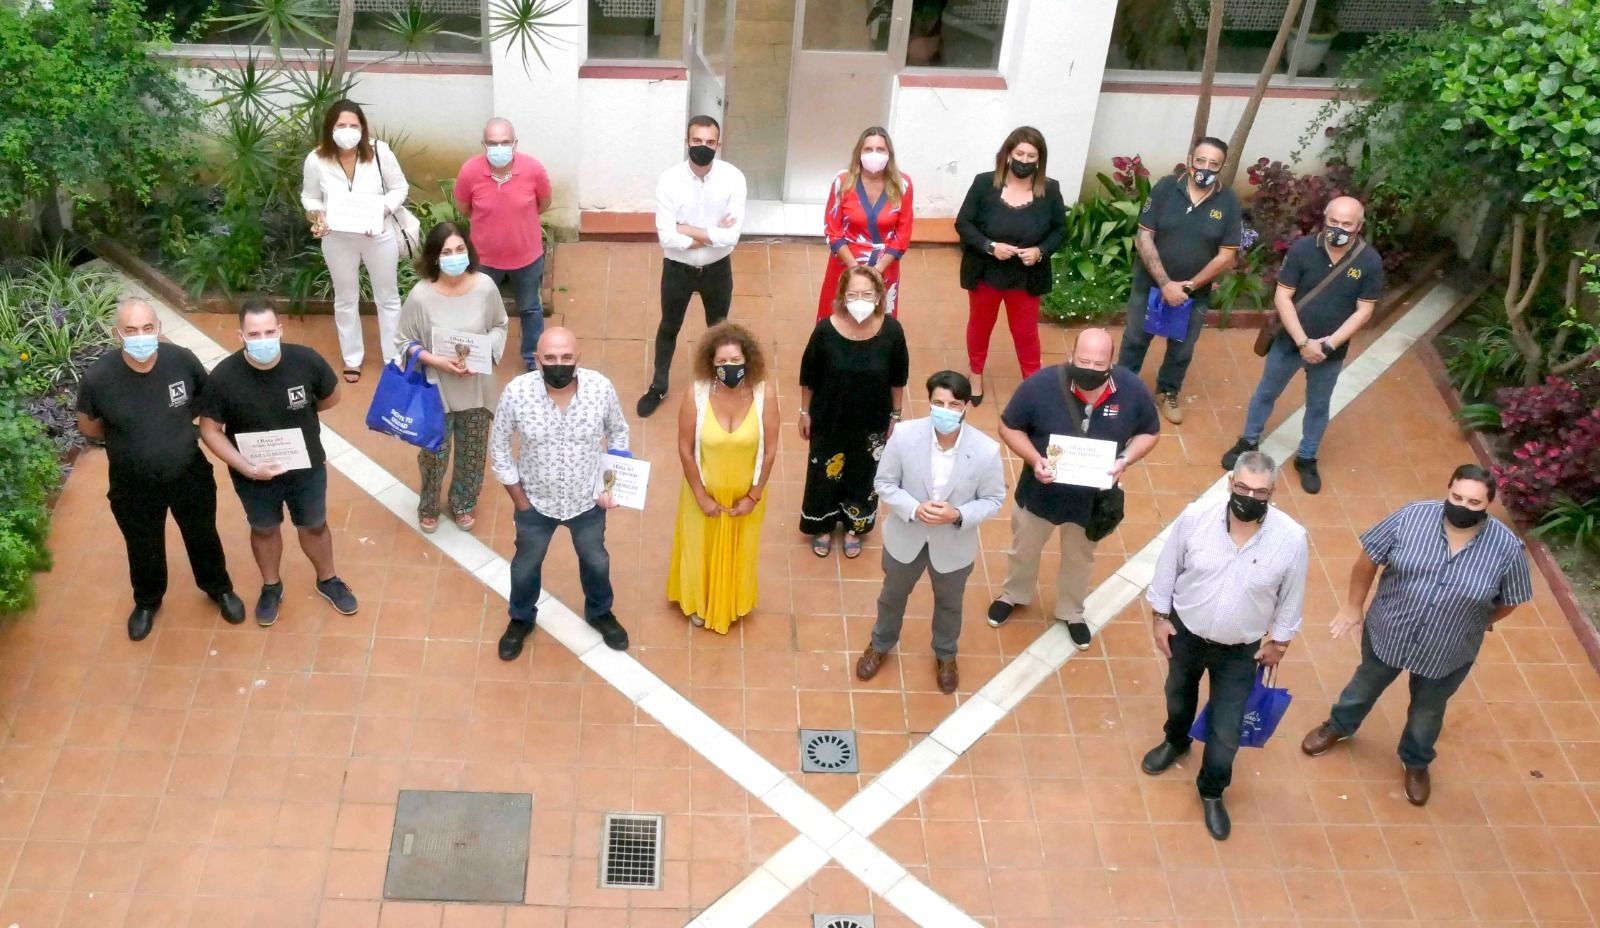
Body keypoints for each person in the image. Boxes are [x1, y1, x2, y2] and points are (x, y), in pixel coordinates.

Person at [1301, 465, 1532, 806]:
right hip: (1390, 630)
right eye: (1456, 497)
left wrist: (1479, 621)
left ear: (1488, 504)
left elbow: (1512, 599)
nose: (1462, 506)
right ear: (1448, 489)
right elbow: (1368, 558)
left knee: (1428, 711)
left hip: (1448, 649)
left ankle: (1416, 761)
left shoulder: (1507, 549)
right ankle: (1338, 726)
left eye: (1473, 502)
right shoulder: (1411, 517)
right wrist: (1353, 606)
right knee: (1364, 685)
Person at [1141, 451, 1308, 840]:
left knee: (1227, 729)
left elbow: (1292, 595)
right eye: (1243, 487)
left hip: (1240, 650)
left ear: (1273, 493)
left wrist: (1279, 644)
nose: (1250, 496)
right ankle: (1176, 741)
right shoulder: (1196, 517)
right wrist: (1159, 618)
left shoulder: (1291, 538)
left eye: (1260, 491)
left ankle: (1212, 790)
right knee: (1178, 696)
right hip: (1185, 633)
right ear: (1231, 483)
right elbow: (1168, 567)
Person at [75, 298, 244, 641]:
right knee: (142, 544)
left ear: (158, 328)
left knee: (202, 534)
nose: (141, 336)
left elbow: (203, 401)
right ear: (117, 333)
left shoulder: (181, 360)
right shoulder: (98, 378)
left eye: (148, 328)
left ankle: (218, 588)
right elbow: (90, 427)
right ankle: (147, 601)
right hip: (132, 484)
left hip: (188, 473)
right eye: (131, 330)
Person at [988, 328, 1161, 649]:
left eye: (1099, 365)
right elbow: (1008, 426)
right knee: (1023, 548)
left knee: (1080, 558)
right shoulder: (1040, 386)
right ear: (1071, 355)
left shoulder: (1132, 391)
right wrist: (1034, 458)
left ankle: (1072, 611)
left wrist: (1125, 459)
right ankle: (1014, 594)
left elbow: (1150, 432)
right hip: (1039, 493)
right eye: (1083, 361)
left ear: (1112, 362)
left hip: (1091, 502)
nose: (1090, 370)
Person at [198, 299, 358, 625]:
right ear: (240, 336)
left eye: (270, 332)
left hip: (306, 468)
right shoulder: (224, 377)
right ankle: (271, 586)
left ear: (280, 330)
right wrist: (247, 467)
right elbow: (210, 430)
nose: (263, 340)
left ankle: (328, 579)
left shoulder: (306, 361)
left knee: (314, 525)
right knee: (264, 529)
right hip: (253, 473)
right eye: (254, 334)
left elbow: (331, 397)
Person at [854, 371, 1006, 694]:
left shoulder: (986, 451)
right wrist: (913, 508)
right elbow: (884, 483)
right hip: (905, 537)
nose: (945, 410)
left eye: (953, 404)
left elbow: (994, 500)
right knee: (892, 597)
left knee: (950, 604)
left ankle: (946, 654)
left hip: (953, 545)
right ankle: (880, 644)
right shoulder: (905, 436)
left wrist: (958, 514)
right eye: (938, 403)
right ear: (929, 402)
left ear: (965, 406)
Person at [1220, 196, 1384, 494]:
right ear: (1325, 219)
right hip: (1289, 342)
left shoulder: (1369, 261)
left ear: (1359, 226)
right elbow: (1283, 296)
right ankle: (1248, 440)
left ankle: (1307, 457)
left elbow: (1364, 311)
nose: (1339, 229)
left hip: (1329, 353)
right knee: (1267, 392)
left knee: (1318, 405)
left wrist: (1328, 346)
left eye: (1347, 224)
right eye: (1333, 222)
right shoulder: (1304, 249)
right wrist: (1303, 341)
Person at [490, 327, 631, 660]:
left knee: (596, 561)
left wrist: (610, 487)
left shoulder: (601, 389)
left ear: (578, 358)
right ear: (537, 360)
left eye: (566, 358)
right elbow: (498, 448)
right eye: (550, 358)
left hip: (587, 502)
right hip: (534, 504)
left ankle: (600, 612)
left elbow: (619, 435)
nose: (559, 364)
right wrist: (520, 500)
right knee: (525, 567)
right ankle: (521, 618)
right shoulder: (517, 393)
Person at [1120, 137, 1243, 425]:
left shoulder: (1229, 202)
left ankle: (1168, 391)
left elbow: (1226, 257)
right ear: (1190, 160)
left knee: (1182, 347)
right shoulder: (1166, 188)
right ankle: (1123, 389)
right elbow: (1144, 236)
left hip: (1193, 294)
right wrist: (1165, 284)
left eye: (1214, 164)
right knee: (1135, 339)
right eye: (1201, 161)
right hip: (1150, 284)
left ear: (1222, 168)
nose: (1205, 168)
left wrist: (1186, 287)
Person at [395, 222, 508, 534]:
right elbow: (404, 341)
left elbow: (500, 324)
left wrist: (487, 354)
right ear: (434, 257)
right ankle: (429, 504)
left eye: (460, 250)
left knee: (473, 452)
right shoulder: (420, 296)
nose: (455, 256)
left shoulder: (485, 287)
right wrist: (435, 360)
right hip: (436, 389)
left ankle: (463, 503)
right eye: (447, 252)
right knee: (434, 454)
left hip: (476, 386)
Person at [667, 322, 779, 633]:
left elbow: (770, 450)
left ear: (748, 360)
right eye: (721, 362)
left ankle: (731, 601)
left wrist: (753, 496)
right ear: (710, 363)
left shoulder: (764, 395)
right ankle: (698, 601)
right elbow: (685, 449)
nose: (729, 367)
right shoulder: (697, 395)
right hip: (701, 494)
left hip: (745, 498)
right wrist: (701, 496)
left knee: (740, 549)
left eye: (735, 361)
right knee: (698, 548)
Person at [636, 115, 748, 418]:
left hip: (717, 269)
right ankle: (658, 386)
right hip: (678, 269)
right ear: (687, 142)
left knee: (719, 329)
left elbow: (731, 237)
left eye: (710, 142)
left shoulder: (734, 178)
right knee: (669, 327)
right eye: (697, 141)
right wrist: (711, 233)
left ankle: (722, 383)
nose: (703, 147)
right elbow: (666, 237)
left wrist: (688, 229)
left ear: (719, 144)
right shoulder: (669, 180)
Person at [799, 265, 910, 559]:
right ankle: (821, 524)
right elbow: (809, 376)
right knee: (824, 471)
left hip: (872, 419)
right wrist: (804, 412)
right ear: (842, 297)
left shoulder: (892, 331)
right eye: (853, 294)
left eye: (866, 294)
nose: (859, 299)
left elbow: (898, 378)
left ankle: (853, 526)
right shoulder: (825, 331)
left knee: (864, 473)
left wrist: (895, 416)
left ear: (878, 297)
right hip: (829, 417)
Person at [955, 126, 1067, 406]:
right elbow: (963, 223)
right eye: (1019, 153)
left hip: (1026, 277)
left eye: (1031, 155)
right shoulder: (984, 184)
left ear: (1039, 160)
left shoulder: (1050, 190)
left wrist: (1040, 252)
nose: (1024, 160)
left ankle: (1033, 383)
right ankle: (976, 373)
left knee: (1026, 332)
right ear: (1007, 154)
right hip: (986, 272)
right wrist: (990, 246)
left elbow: (1060, 230)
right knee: (980, 325)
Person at [300, 99, 410, 383]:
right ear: (330, 128)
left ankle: (393, 357)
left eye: (354, 125)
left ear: (362, 128)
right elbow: (310, 195)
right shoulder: (316, 159)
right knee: (345, 297)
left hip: (378, 234)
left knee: (387, 297)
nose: (348, 130)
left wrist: (381, 210)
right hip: (337, 239)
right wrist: (318, 216)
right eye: (341, 125)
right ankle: (352, 359)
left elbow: (400, 187)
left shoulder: (379, 152)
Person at [453, 116, 552, 370]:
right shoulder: (469, 172)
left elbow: (544, 203)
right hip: (484, 260)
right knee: (480, 310)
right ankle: (480, 356)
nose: (499, 148)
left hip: (527, 257)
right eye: (493, 143)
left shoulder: (534, 169)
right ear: (484, 144)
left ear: (515, 143)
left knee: (530, 308)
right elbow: (465, 208)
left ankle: (532, 359)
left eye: (505, 142)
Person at [816, 126, 915, 321]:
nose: (874, 154)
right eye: (868, 149)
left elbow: (903, 234)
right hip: (845, 262)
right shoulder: (842, 181)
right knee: (838, 319)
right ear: (859, 153)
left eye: (880, 149)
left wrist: (877, 270)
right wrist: (854, 268)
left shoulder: (903, 185)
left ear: (889, 154)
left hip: (884, 266)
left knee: (877, 323)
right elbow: (832, 230)